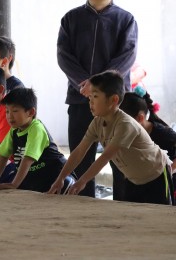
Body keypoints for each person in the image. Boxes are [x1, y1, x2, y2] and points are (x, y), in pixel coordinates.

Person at [57, 0, 138, 197]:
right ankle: (84, 210)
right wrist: (86, 84)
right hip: (81, 97)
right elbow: (63, 56)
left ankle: (125, 208)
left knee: (122, 160)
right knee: (81, 158)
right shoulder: (71, 19)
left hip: (115, 102)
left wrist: (99, 85)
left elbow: (127, 55)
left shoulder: (126, 19)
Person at [48, 71, 172, 205]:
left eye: (95, 97)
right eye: (89, 98)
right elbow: (79, 151)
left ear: (113, 100)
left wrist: (81, 182)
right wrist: (61, 177)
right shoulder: (97, 122)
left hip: (157, 175)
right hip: (132, 180)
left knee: (160, 218)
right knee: (133, 219)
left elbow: (105, 157)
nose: (91, 102)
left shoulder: (125, 124)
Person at [0, 87, 76, 193]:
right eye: (7, 111)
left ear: (31, 112)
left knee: (65, 185)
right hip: (35, 178)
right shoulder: (14, 131)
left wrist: (14, 184)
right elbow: (2, 155)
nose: (9, 116)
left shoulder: (36, 128)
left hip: (56, 174)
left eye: (14, 111)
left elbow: (28, 159)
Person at [120, 86, 176, 201]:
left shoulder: (163, 134)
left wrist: (168, 170)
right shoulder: (125, 133)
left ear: (140, 118)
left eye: (124, 121)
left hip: (160, 184)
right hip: (135, 182)